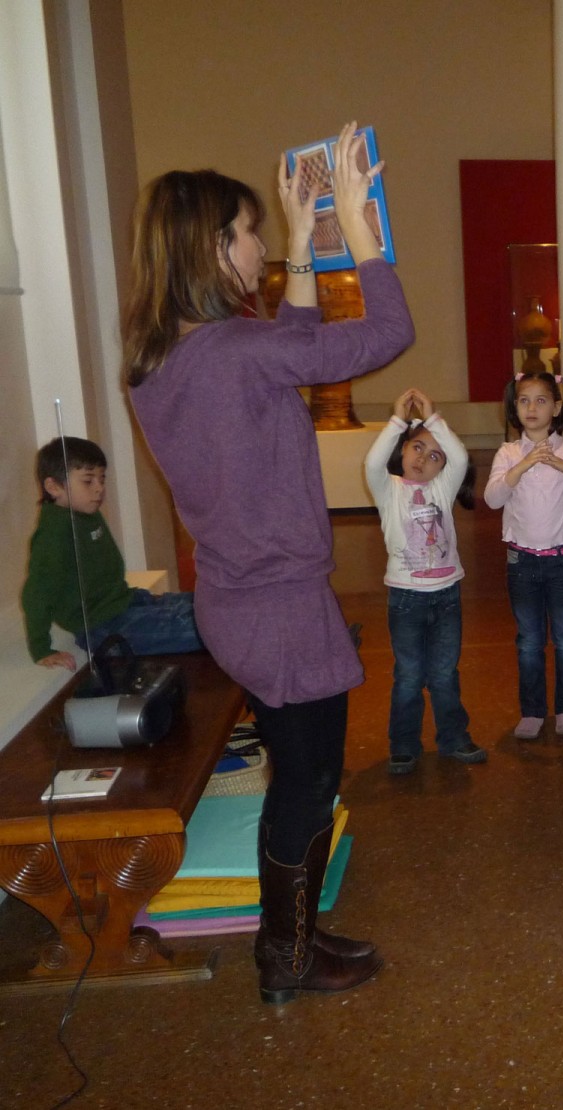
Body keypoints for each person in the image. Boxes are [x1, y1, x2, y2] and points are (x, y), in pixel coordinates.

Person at [123, 123, 414, 1004]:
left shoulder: (170, 358)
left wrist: (294, 242)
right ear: (216, 247)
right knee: (309, 782)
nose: (258, 246)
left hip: (238, 600)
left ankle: (291, 937)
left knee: (301, 776)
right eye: (249, 232)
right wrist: (357, 230)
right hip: (280, 606)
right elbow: (384, 333)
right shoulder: (236, 353)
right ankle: (284, 958)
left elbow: (276, 361)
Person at [365, 387, 484, 775]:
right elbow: (371, 463)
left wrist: (434, 419)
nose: (423, 459)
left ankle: (453, 738)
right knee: (409, 675)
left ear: (441, 469)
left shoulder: (441, 489)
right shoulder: (390, 491)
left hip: (447, 595)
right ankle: (403, 745)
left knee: (445, 673)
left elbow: (461, 458)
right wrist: (399, 419)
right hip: (406, 599)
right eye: (417, 448)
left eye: (435, 456)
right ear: (402, 451)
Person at [484, 369, 563, 739]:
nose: (532, 408)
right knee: (529, 640)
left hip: (562, 560)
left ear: (556, 407)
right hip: (521, 562)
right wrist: (523, 465)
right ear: (515, 407)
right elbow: (492, 498)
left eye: (541, 400)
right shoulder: (508, 452)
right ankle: (533, 711)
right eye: (524, 401)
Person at [22, 436, 203, 670]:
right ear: (53, 487)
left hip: (124, 602)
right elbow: (35, 594)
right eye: (88, 481)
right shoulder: (53, 535)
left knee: (203, 603)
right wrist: (41, 649)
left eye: (101, 479)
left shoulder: (85, 512)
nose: (99, 488)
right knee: (200, 629)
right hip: (102, 628)